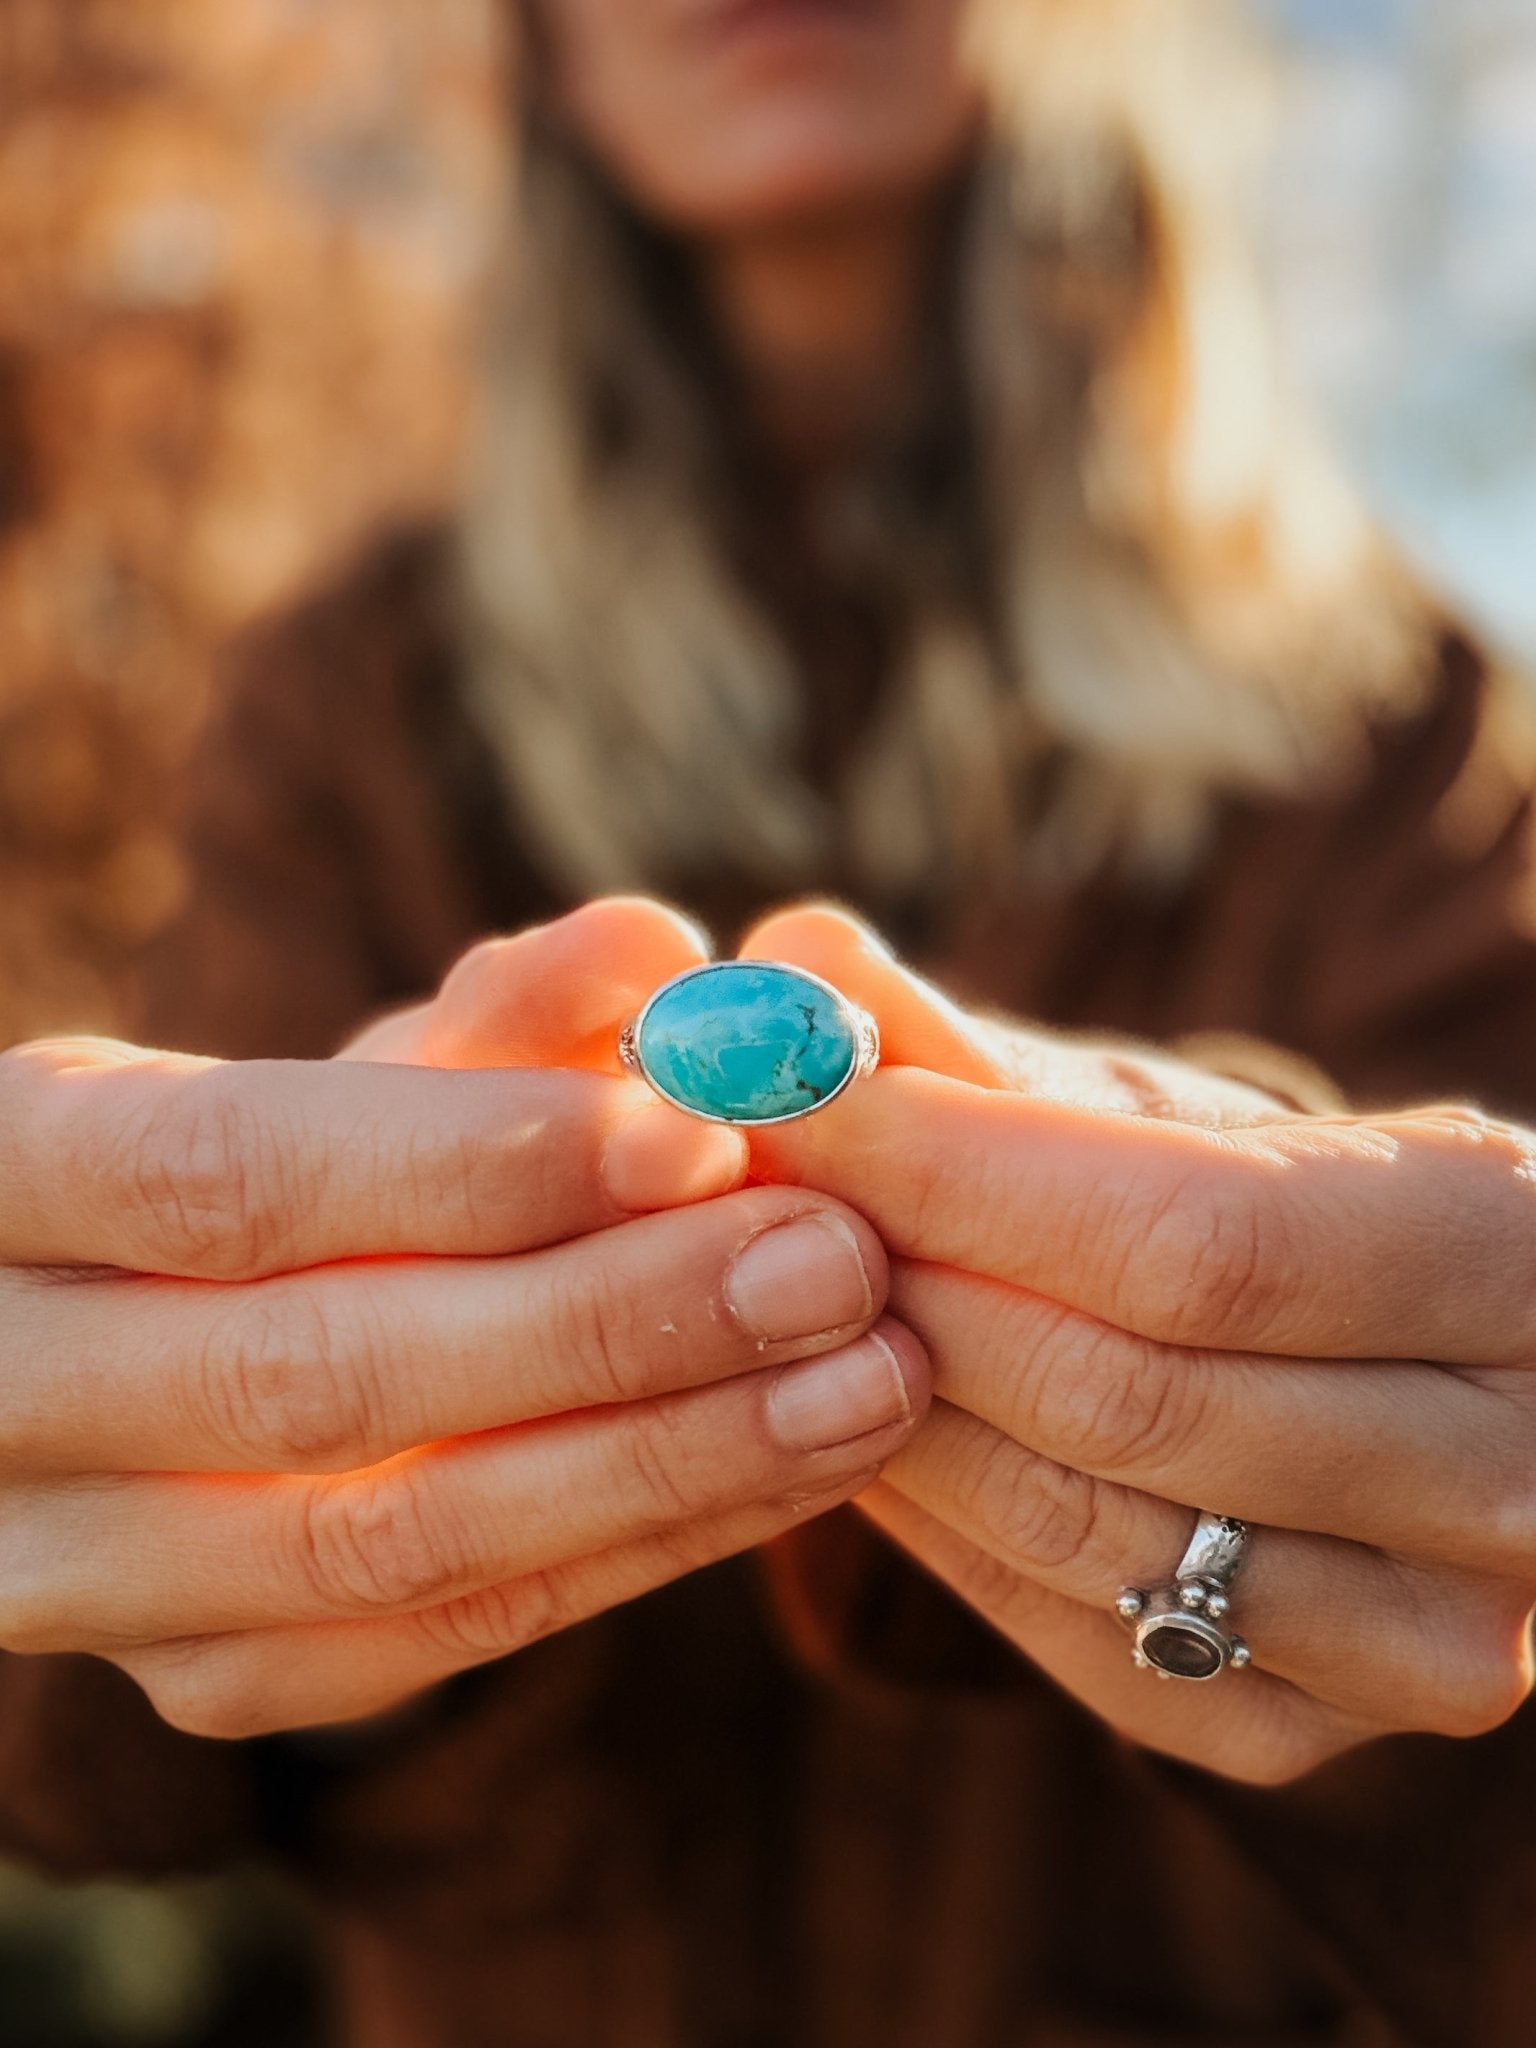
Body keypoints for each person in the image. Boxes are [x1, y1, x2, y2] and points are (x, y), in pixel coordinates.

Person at [2, 2, 1536, 2043]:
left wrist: (1369, 1466)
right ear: (546, 52)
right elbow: (96, 1756)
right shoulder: (354, 713)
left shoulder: (1406, 731)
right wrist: (208, 1478)